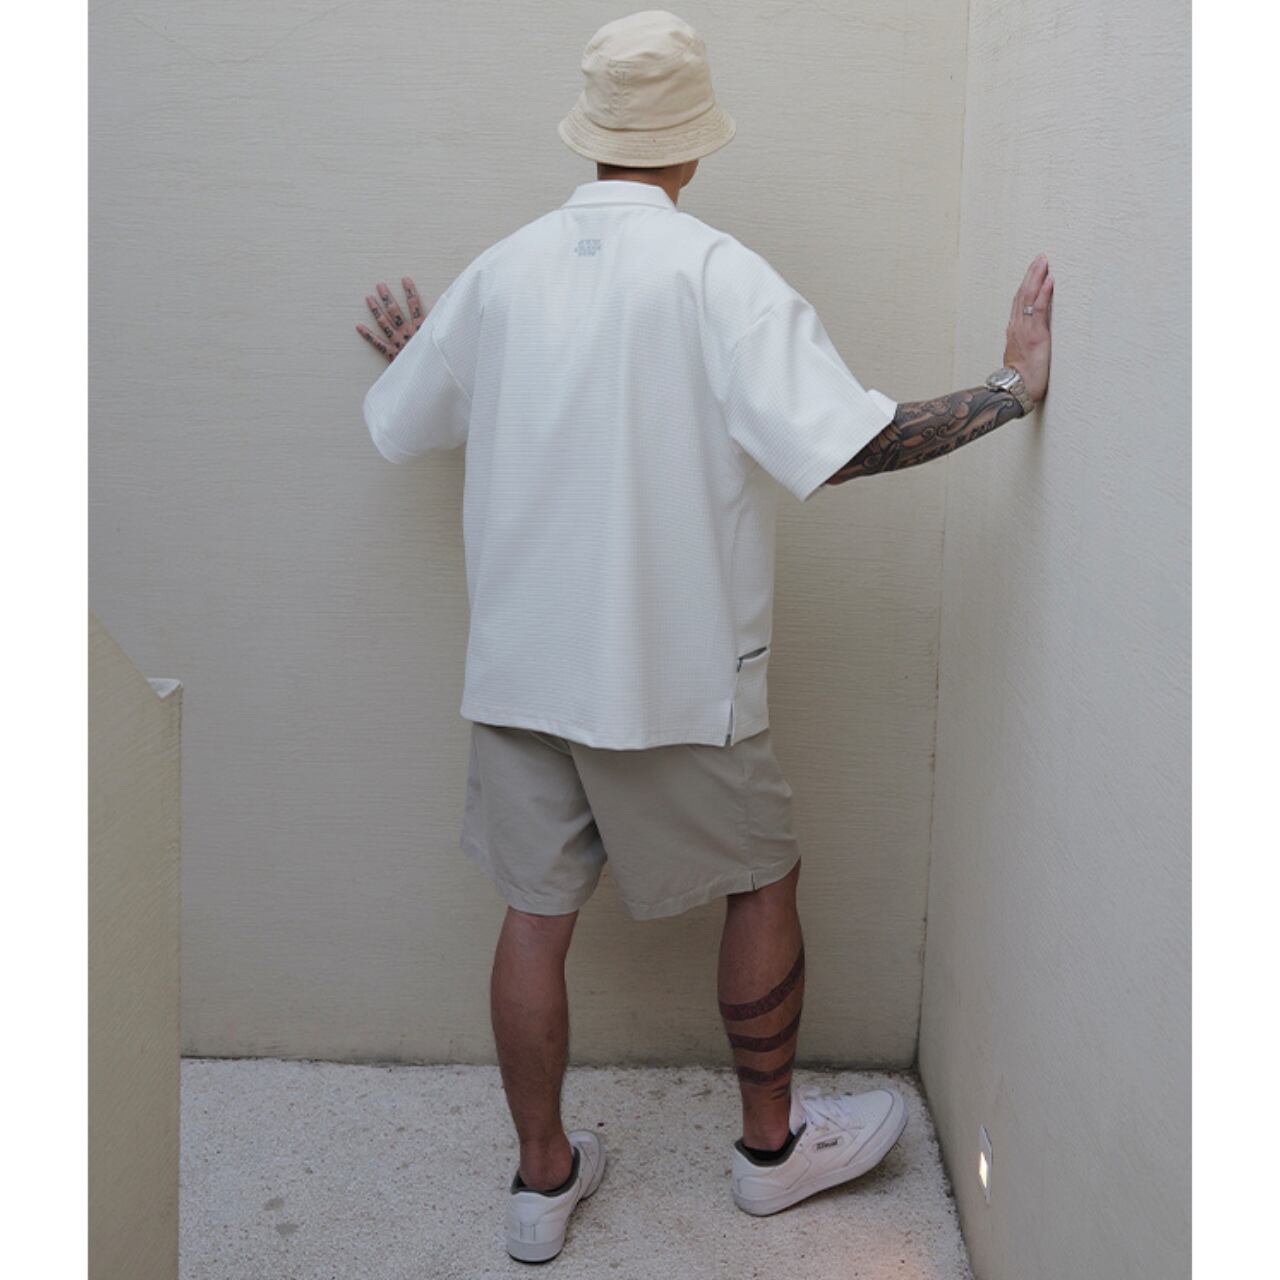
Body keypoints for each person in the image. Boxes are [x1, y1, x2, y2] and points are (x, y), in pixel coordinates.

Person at [356, 9, 1053, 1264]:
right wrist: (1008, 390)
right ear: (691, 145)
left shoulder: (501, 272)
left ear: (589, 132)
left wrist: (427, 352)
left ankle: (539, 1183)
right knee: (760, 877)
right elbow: (849, 443)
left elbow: (408, 416)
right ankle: (770, 1155)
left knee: (532, 913)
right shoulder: (717, 274)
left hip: (517, 670)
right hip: (669, 676)